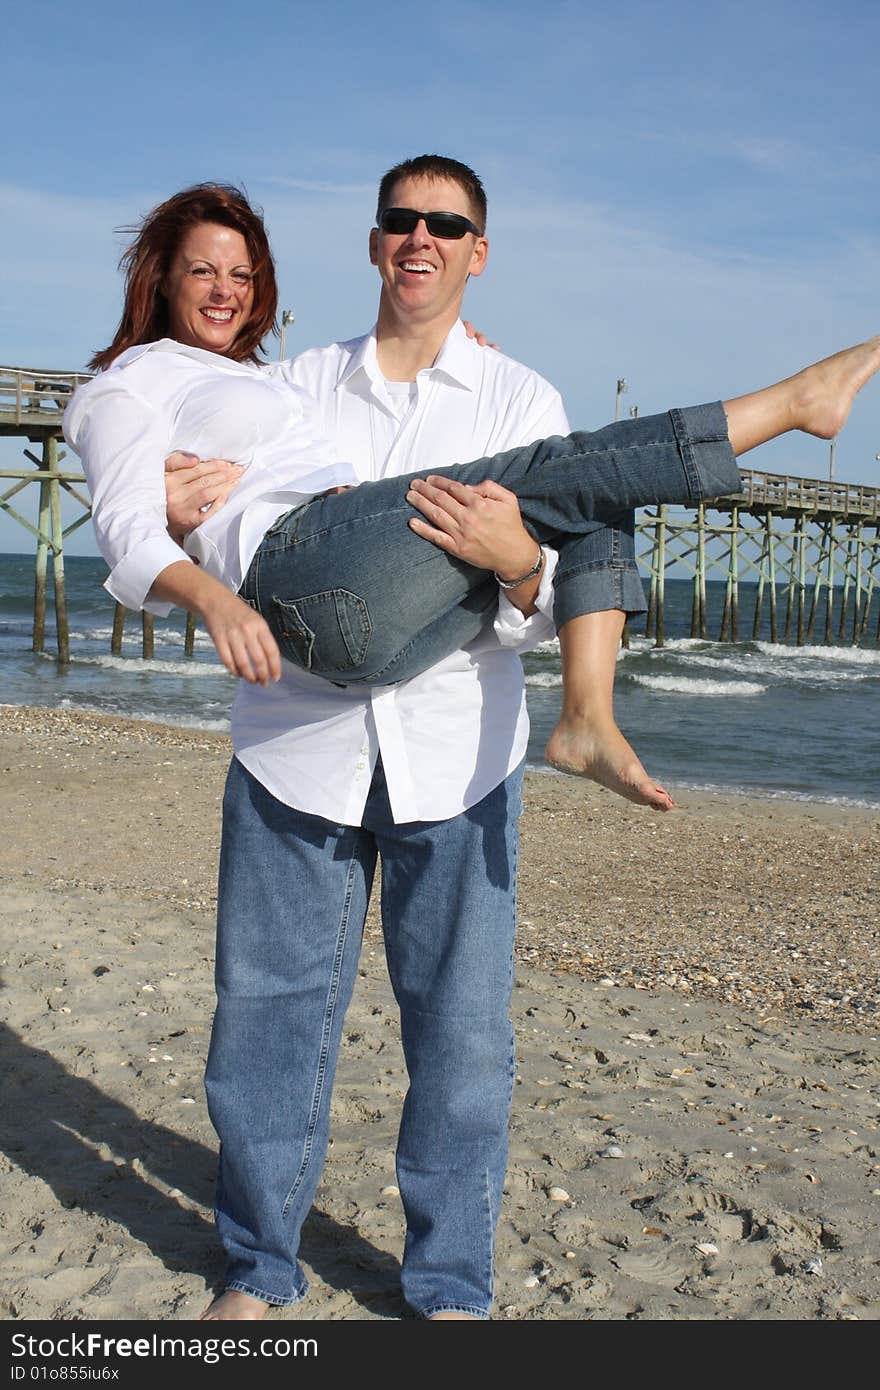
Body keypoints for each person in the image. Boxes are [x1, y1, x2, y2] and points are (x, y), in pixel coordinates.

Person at [66, 173, 880, 1320]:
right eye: (403, 221)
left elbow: (545, 600)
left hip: (458, 752)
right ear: (373, 242)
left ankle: (448, 1284)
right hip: (300, 740)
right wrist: (171, 513)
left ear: (477, 252)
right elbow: (159, 509)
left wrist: (513, 561)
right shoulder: (289, 380)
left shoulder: (515, 391)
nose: (422, 240)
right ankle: (258, 1270)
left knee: (460, 1040)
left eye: (447, 226)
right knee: (265, 1024)